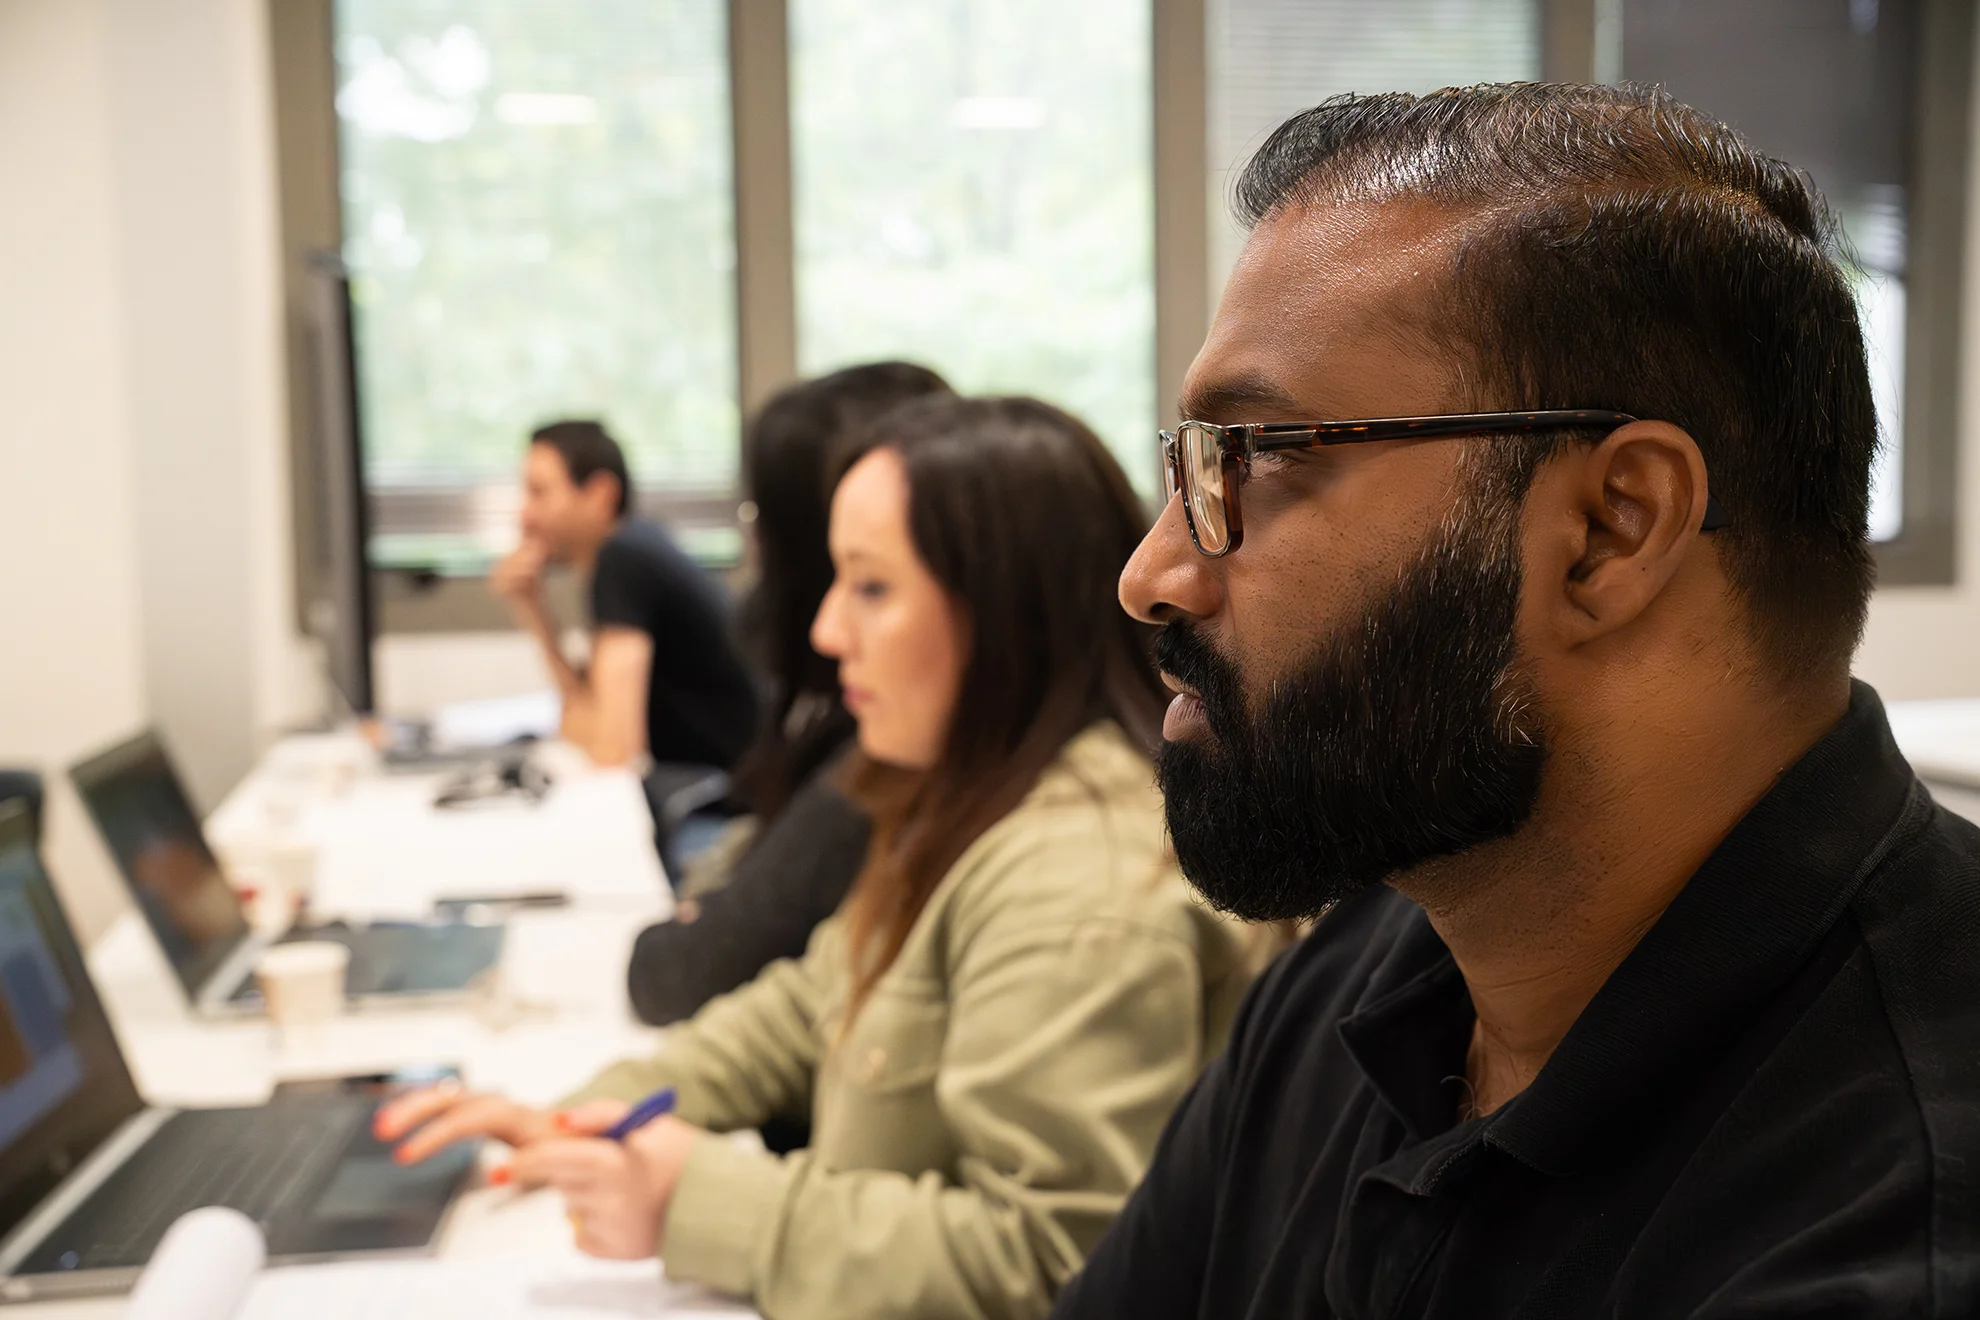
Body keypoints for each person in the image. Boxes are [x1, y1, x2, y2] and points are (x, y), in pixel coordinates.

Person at [1051, 83, 1980, 1319]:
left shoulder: (1888, 1227)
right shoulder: (1374, 974)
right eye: (1187, 467)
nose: (1152, 574)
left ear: (1609, 531)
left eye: (1259, 456)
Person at [378, 395, 1254, 1320]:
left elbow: (1053, 1264)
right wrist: (587, 1117)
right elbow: (809, 1008)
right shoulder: (961, 790)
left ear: (1003, 617)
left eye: (872, 588)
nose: (828, 630)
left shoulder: (1077, 880)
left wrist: (698, 1203)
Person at [627, 361, 951, 1027]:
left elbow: (683, 974)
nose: (831, 629)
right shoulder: (851, 710)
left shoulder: (895, 745)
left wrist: (713, 913)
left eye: (873, 584)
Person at [491, 420, 758, 770]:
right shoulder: (636, 545)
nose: (524, 514)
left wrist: (577, 721)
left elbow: (615, 747)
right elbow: (585, 707)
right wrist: (530, 606)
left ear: (601, 494)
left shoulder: (623, 560)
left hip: (720, 801)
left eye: (539, 492)